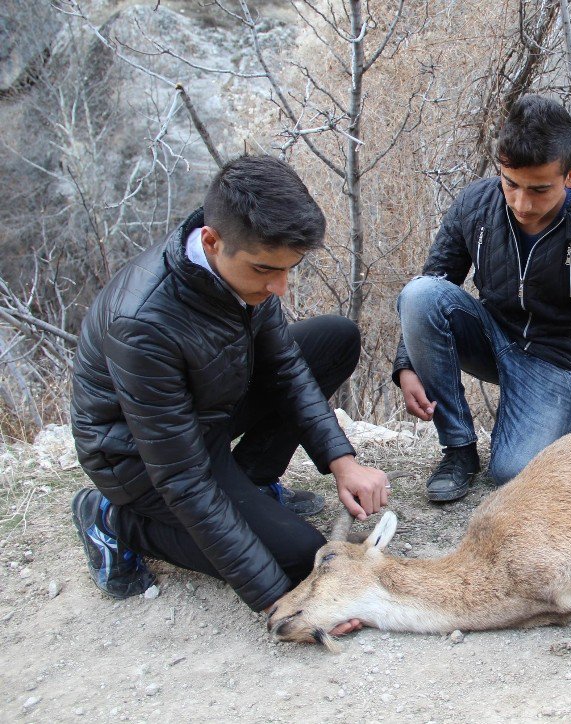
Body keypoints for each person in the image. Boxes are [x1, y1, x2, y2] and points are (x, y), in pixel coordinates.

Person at [70, 154, 388, 619]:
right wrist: (283, 602)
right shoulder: (142, 323)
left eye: (289, 269)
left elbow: (286, 368)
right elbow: (182, 477)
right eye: (265, 270)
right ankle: (112, 518)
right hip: (141, 456)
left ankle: (253, 483)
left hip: (205, 411)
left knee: (334, 340)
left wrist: (342, 461)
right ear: (211, 241)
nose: (280, 287)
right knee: (302, 561)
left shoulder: (243, 271)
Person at [393, 95, 571, 502]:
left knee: (515, 474)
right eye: (510, 184)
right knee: (421, 294)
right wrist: (406, 363)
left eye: (539, 189)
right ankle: (458, 449)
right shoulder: (475, 204)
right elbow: (436, 281)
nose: (522, 204)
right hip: (490, 336)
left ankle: (511, 438)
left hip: (554, 358)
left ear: (570, 175)